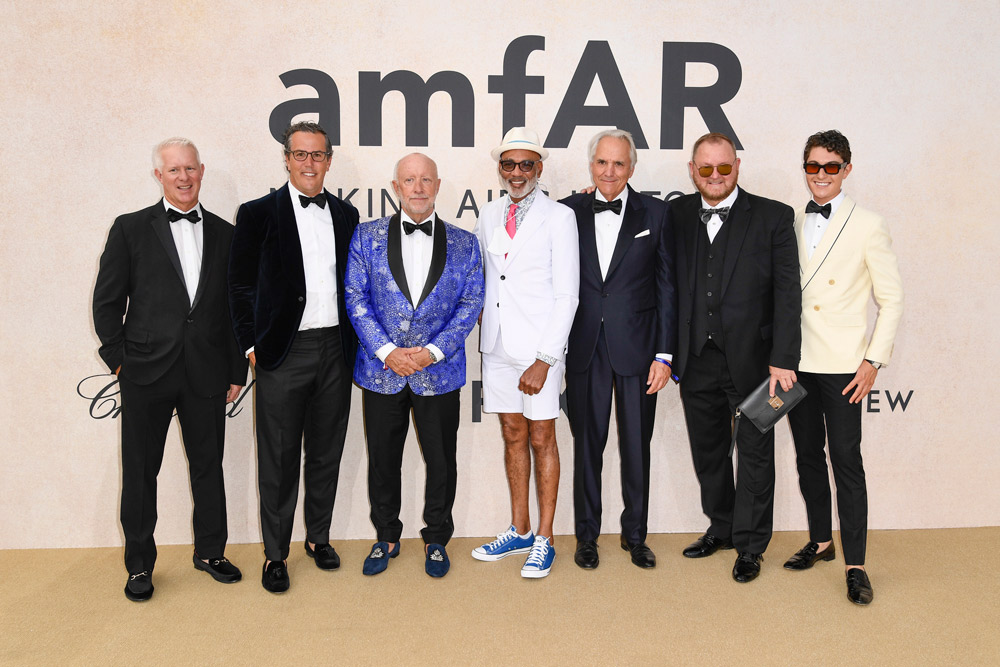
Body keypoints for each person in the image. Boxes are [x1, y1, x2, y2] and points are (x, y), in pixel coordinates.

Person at [94, 137, 248, 601]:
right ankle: (139, 565)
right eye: (174, 170)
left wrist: (236, 370)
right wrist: (120, 362)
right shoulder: (130, 228)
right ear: (159, 176)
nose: (184, 177)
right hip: (145, 372)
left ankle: (210, 552)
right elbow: (107, 303)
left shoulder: (226, 233)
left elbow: (235, 310)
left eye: (190, 169)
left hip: (207, 373)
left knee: (208, 467)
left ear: (202, 171)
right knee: (141, 471)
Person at [228, 121, 359, 593]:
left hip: (336, 350)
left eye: (317, 155)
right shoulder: (258, 212)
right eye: (300, 154)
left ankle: (317, 539)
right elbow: (239, 286)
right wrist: (250, 346)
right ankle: (275, 554)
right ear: (286, 159)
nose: (309, 162)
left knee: (326, 452)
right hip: (283, 352)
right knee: (279, 458)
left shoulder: (346, 214)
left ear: (328, 160)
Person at [344, 153, 484, 578]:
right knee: (383, 459)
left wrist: (432, 353)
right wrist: (387, 351)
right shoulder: (365, 237)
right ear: (395, 186)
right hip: (382, 371)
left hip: (439, 372)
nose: (418, 187)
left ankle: (437, 537)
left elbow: (470, 303)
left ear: (438, 186)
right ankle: (386, 534)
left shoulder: (464, 242)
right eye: (410, 180)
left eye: (426, 180)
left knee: (442, 460)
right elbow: (355, 297)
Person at [670, 132, 801, 583]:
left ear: (737, 166)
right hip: (697, 358)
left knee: (755, 454)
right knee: (708, 453)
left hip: (761, 363)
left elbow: (788, 295)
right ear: (692, 171)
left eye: (723, 168)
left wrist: (784, 357)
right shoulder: (677, 213)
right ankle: (721, 528)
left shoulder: (774, 217)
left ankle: (750, 546)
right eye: (705, 169)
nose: (715, 176)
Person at [783, 130, 903, 605]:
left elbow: (891, 300)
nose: (821, 175)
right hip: (794, 364)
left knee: (846, 462)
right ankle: (821, 540)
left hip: (843, 367)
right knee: (808, 456)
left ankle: (856, 564)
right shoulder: (788, 221)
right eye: (813, 166)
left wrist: (873, 360)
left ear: (847, 170)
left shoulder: (869, 223)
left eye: (831, 167)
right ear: (805, 169)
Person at [559, 129, 676, 569]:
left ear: (632, 168)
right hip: (586, 347)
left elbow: (668, 289)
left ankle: (635, 535)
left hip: (640, 351)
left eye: (619, 164)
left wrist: (665, 354)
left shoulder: (658, 214)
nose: (610, 171)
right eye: (602, 163)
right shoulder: (566, 211)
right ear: (591, 166)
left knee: (636, 447)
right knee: (587, 446)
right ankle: (586, 537)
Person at [471, 127, 579, 578]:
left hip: (539, 351)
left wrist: (546, 358)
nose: (517, 173)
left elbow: (567, 295)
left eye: (526, 164)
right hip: (496, 346)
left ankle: (546, 537)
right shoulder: (489, 213)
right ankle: (518, 529)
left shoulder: (559, 217)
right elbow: (483, 278)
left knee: (542, 437)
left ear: (540, 167)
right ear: (500, 168)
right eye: (508, 164)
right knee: (512, 434)